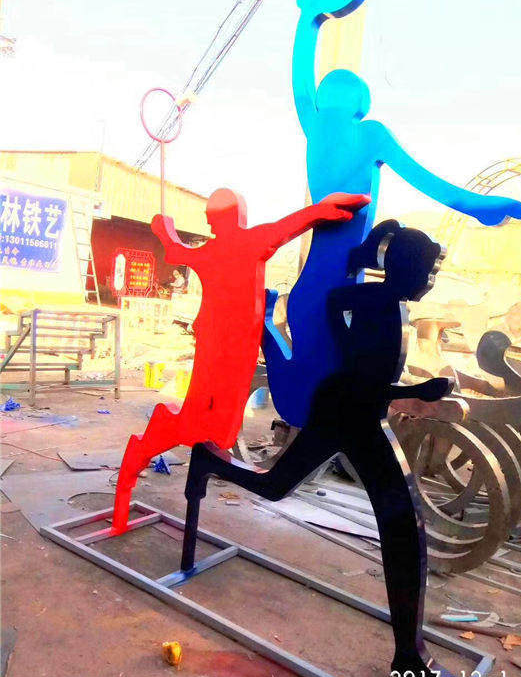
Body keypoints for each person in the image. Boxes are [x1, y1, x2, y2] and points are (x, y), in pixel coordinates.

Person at [183, 221, 464, 677]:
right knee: (281, 488)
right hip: (345, 413)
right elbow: (361, 371)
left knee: (402, 524)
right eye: (425, 271)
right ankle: (208, 460)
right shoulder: (379, 303)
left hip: (359, 414)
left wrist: (355, 350)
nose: (429, 281)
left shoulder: (390, 304)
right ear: (404, 267)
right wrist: (418, 390)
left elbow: (347, 328)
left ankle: (409, 655)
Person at [262, 0, 521, 429]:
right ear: (361, 101)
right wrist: (478, 206)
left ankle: (267, 327)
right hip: (340, 278)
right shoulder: (369, 134)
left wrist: (308, 17)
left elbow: (300, 78)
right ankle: (269, 334)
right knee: (322, 386)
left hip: (317, 279)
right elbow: (426, 180)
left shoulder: (316, 127)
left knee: (316, 377)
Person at [111, 187, 369, 532]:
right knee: (208, 423)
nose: (210, 224)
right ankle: (149, 449)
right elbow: (282, 228)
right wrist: (319, 211)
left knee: (214, 426)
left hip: (226, 345)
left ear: (222, 218)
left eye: (211, 217)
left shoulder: (234, 246)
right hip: (221, 345)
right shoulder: (242, 244)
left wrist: (164, 229)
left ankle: (154, 441)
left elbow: (178, 250)